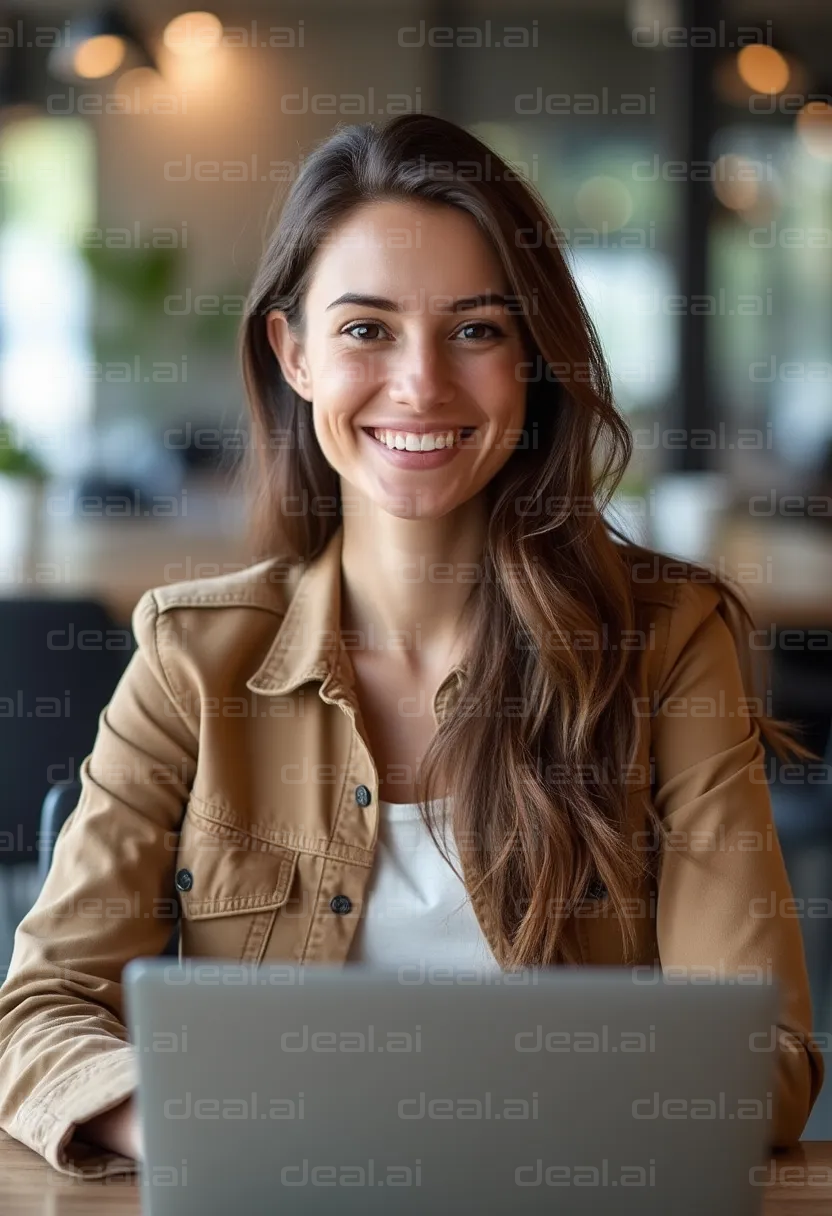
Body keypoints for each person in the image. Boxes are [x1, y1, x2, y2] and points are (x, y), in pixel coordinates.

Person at [0, 113, 823, 1177]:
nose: (422, 383)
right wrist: (200, 1129)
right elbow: (38, 1012)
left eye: (476, 329)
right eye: (366, 329)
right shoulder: (192, 659)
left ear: (532, 359)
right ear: (292, 353)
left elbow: (760, 1063)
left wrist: (432, 1129)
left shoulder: (668, 645)